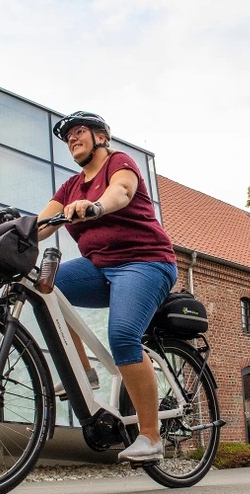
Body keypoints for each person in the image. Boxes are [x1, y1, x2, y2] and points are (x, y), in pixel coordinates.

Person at [35, 111, 176, 464]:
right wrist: (16, 234)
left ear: (100, 137)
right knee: (47, 286)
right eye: (67, 137)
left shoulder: (119, 162)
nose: (71, 140)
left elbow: (122, 192)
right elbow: (41, 224)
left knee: (123, 335)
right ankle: (83, 370)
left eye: (78, 132)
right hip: (100, 267)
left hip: (145, 262)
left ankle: (151, 436)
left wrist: (96, 206)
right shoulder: (69, 187)